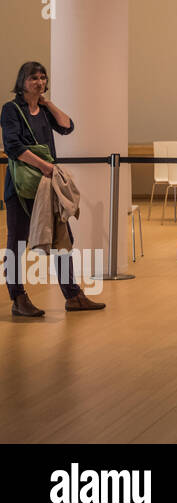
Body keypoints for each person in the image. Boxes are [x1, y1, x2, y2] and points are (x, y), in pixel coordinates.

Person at [3, 61, 104, 316]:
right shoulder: (11, 110)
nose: (39, 82)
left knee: (62, 239)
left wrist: (47, 103)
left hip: (47, 187)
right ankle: (18, 298)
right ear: (22, 82)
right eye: (33, 78)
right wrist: (45, 166)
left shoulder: (45, 111)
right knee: (17, 243)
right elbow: (13, 147)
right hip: (21, 188)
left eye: (43, 78)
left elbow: (68, 126)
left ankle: (73, 296)